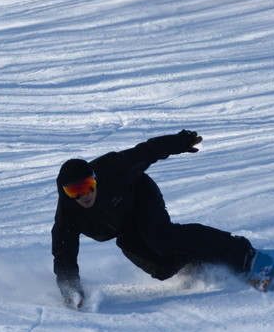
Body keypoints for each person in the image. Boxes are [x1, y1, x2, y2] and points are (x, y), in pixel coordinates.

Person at [51, 131, 256, 308]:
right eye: (74, 191)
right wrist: (71, 291)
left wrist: (181, 141)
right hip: (122, 228)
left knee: (161, 238)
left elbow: (147, 151)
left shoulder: (113, 169)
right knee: (162, 269)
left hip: (141, 199)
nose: (84, 195)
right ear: (65, 193)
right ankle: (199, 260)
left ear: (95, 178)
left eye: (87, 185)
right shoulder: (68, 217)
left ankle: (242, 253)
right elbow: (64, 257)